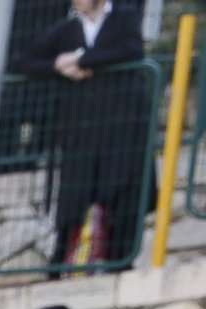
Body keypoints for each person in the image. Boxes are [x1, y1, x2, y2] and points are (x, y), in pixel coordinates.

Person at [32, 0, 148, 267]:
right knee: (75, 198)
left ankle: (118, 262)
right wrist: (58, 65)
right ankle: (63, 263)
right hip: (81, 130)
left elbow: (132, 50)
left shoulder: (124, 16)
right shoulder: (66, 29)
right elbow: (24, 61)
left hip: (122, 128)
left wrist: (81, 59)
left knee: (121, 192)